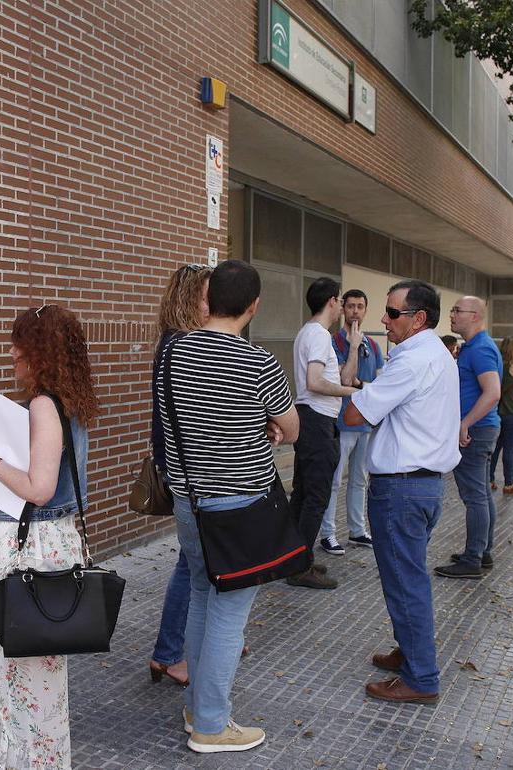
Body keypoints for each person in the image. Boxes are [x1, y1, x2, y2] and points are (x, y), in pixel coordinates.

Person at [155, 259, 299, 753]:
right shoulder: (259, 362)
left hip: (189, 501)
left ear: (205, 299)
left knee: (200, 594)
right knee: (228, 613)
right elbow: (291, 426)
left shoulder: (171, 355)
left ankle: (198, 706)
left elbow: (172, 426)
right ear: (254, 306)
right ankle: (213, 726)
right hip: (242, 504)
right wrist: (270, 425)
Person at [0, 304, 100, 770]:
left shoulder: (44, 404)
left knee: (27, 672)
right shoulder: (70, 400)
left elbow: (39, 489)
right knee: (39, 674)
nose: (12, 352)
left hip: (30, 546)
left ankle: (34, 763)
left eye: (19, 342)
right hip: (54, 541)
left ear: (38, 350)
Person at [343, 279, 459, 704]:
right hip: (421, 487)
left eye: (392, 313)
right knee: (407, 577)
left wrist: (362, 391)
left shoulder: (411, 360)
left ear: (419, 319)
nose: (383, 319)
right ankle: (410, 653)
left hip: (403, 489)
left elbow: (356, 415)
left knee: (406, 583)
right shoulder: (434, 354)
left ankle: (422, 678)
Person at [148, 264, 211, 688]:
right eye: (209, 296)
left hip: (180, 467)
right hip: (186, 470)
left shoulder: (176, 342)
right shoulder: (182, 345)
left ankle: (203, 635)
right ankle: (169, 653)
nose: (215, 304)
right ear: (190, 299)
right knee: (192, 564)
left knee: (196, 560)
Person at [286, 277, 358, 589]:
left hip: (314, 421)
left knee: (304, 494)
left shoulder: (316, 334)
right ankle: (299, 568)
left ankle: (292, 560)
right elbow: (315, 381)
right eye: (341, 300)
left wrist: (353, 349)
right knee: (315, 496)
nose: (343, 306)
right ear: (331, 301)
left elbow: (336, 375)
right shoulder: (316, 334)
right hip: (315, 421)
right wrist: (350, 393)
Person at [434, 296, 501, 580]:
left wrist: (465, 423)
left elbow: (493, 392)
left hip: (476, 431)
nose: (451, 314)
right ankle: (481, 551)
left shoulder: (481, 349)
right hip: (480, 429)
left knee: (474, 497)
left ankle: (473, 559)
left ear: (474, 316)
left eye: (457, 310)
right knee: (482, 494)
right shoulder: (473, 347)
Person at [318, 289, 383, 556]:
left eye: (360, 306)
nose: (355, 311)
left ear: (366, 310)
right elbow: (345, 380)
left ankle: (357, 530)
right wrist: (354, 346)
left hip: (365, 425)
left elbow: (380, 384)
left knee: (360, 480)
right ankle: (328, 534)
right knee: (334, 481)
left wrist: (363, 385)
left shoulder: (374, 345)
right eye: (351, 306)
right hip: (342, 422)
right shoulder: (333, 343)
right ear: (343, 309)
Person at [489, 337, 513, 495]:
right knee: (509, 449)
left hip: (498, 411)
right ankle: (509, 483)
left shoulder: (498, 365)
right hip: (512, 412)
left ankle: (489, 479)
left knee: (496, 448)